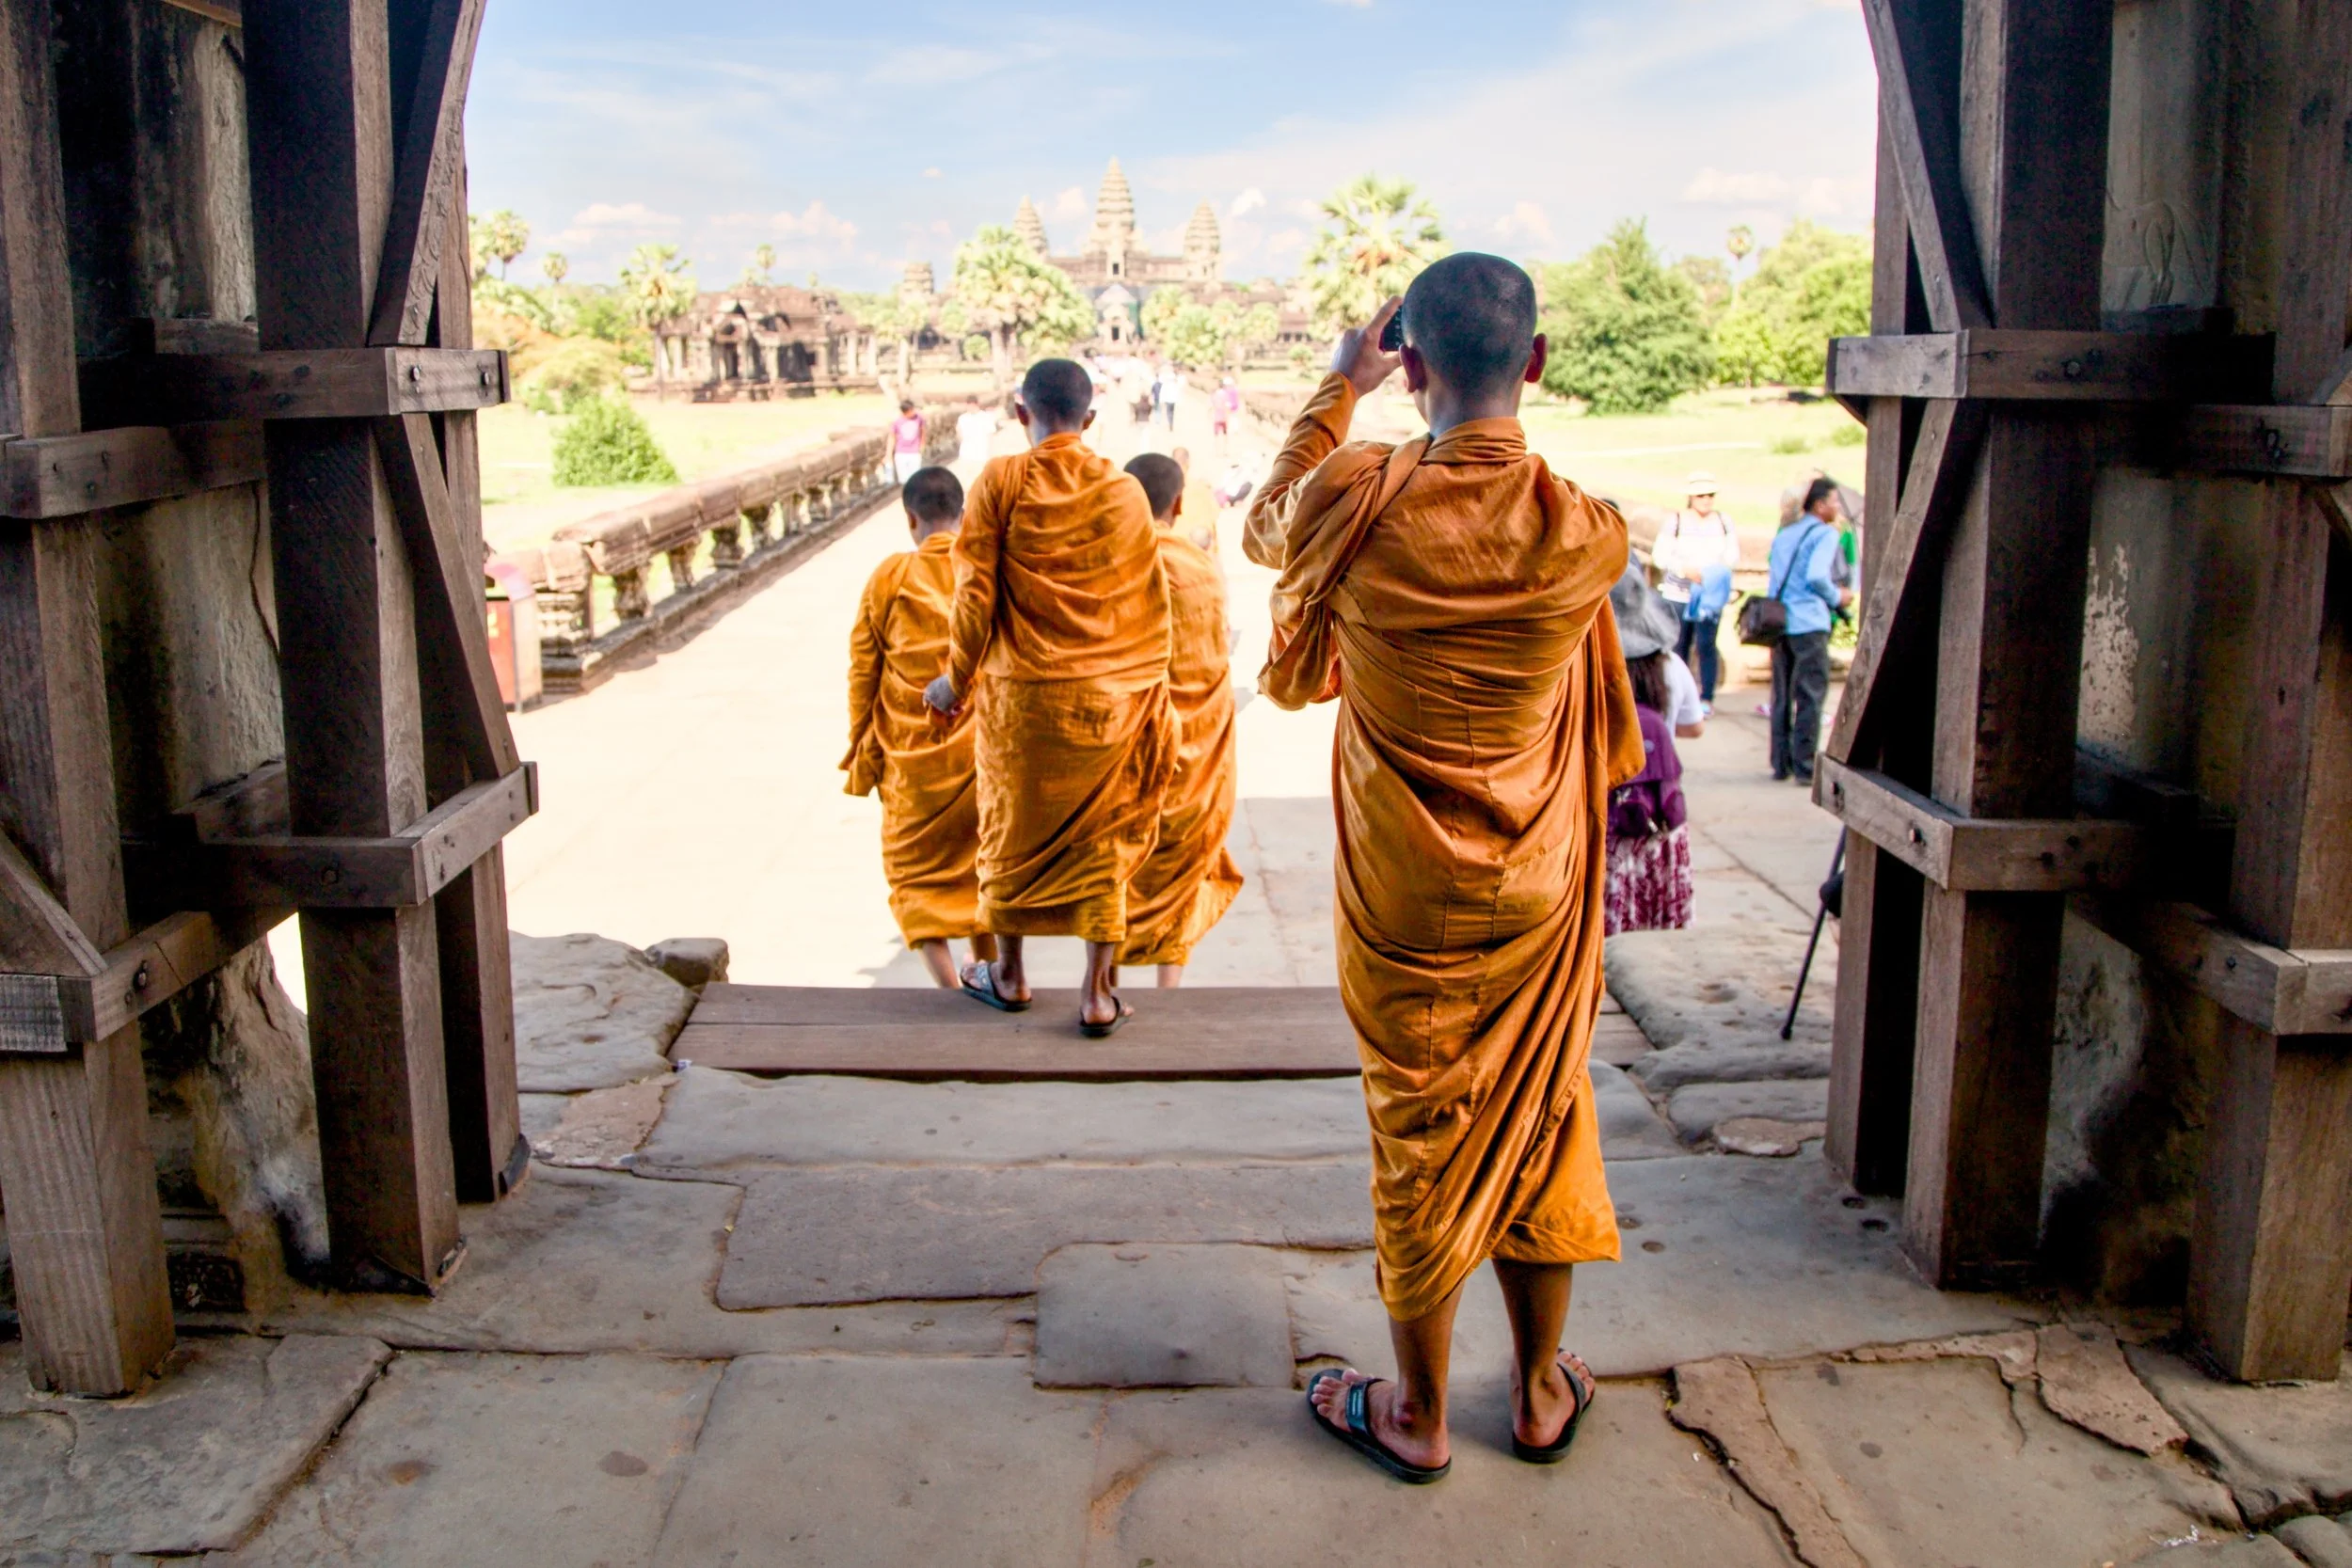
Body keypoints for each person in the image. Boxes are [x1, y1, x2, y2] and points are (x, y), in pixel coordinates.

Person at [1246, 255, 1643, 1483]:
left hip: (1406, 883)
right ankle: (1533, 1391)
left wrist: (1333, 391)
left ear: (1407, 364)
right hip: (1539, 877)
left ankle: (1416, 1410)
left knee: (1422, 1122)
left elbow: (1265, 527)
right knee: (1542, 1105)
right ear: (1535, 363)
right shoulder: (1589, 530)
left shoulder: (1354, 496)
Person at [923, 358, 1174, 1037]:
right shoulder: (1123, 491)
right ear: (1090, 419)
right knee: (1103, 836)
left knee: (1010, 830)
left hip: (1023, 702)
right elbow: (1147, 603)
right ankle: (1096, 994)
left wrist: (956, 677)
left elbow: (974, 593)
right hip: (1107, 701)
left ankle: (1009, 974)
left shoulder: (1001, 479)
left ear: (1020, 412)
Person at [843, 467, 1001, 989]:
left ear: (911, 519)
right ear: (964, 515)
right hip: (983, 754)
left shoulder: (890, 576)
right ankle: (992, 971)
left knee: (915, 877)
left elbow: (864, 669)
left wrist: (862, 747)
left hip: (910, 760)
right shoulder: (985, 571)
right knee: (983, 866)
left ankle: (951, 988)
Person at [1115, 454, 1244, 988]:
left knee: (1118, 862)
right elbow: (1214, 666)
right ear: (1176, 504)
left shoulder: (1110, 567)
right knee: (1182, 861)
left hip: (1127, 743)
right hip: (1194, 742)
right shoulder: (1200, 573)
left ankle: (1104, 986)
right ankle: (1170, 988)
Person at [1605, 570, 1696, 935]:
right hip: (1657, 824)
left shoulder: (1588, 673)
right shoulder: (1672, 667)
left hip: (1605, 829)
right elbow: (1694, 725)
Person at [1766, 477, 1850, 784]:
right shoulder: (1826, 534)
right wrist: (1837, 597)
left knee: (1782, 694)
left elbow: (1774, 577)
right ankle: (1804, 766)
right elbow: (1817, 575)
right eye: (1834, 501)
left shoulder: (1786, 534)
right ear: (1819, 505)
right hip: (1809, 622)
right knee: (1811, 695)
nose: (1838, 507)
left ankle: (1780, 762)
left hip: (1781, 622)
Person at [1652, 472, 1740, 706]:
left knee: (1706, 645)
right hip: (1679, 593)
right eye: (1701, 495)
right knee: (1678, 645)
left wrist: (1711, 571)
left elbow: (1731, 555)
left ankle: (1706, 697)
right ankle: (1677, 696)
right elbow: (1661, 555)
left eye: (1710, 495)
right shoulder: (1677, 521)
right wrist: (1684, 569)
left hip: (1708, 595)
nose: (1706, 500)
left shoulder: (1722, 521)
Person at [1168, 446, 1221, 554]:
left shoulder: (1165, 491)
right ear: (1188, 463)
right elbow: (1213, 516)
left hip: (1173, 550)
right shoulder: (1201, 488)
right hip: (1198, 550)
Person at [952, 398, 1000, 485]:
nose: (970, 408)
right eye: (968, 406)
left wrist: (990, 452)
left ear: (977, 405)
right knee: (966, 482)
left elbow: (990, 435)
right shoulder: (962, 418)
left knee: (980, 482)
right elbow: (959, 433)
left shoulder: (985, 417)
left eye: (972, 405)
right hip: (966, 454)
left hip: (981, 455)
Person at [889, 399, 927, 484]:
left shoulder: (919, 418)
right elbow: (892, 437)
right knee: (904, 480)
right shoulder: (897, 422)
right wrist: (889, 454)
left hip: (914, 452)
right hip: (901, 452)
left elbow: (923, 431)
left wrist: (922, 444)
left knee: (916, 478)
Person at [1212, 375, 1242, 452]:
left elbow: (1213, 405)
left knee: (1218, 435)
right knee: (1226, 434)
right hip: (1226, 416)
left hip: (1218, 417)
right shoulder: (1227, 393)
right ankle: (1226, 450)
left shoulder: (1216, 393)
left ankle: (1218, 450)